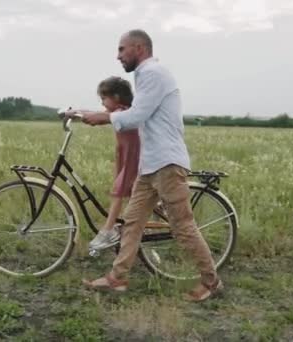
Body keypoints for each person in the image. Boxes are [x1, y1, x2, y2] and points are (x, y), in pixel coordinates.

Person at [72, 29, 223, 301]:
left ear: (139, 48)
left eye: (122, 49)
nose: (117, 56)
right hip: (151, 165)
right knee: (132, 222)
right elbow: (137, 114)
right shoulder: (146, 76)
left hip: (166, 163)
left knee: (183, 227)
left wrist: (104, 117)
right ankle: (117, 278)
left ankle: (212, 282)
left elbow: (137, 115)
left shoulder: (154, 74)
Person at [87, 76, 140, 251]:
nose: (102, 102)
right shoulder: (120, 112)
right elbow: (100, 115)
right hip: (126, 158)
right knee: (136, 197)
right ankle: (155, 223)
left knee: (118, 193)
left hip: (133, 159)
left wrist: (78, 115)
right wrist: (75, 112)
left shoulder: (124, 112)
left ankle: (108, 229)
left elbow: (102, 117)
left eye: (104, 98)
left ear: (116, 97)